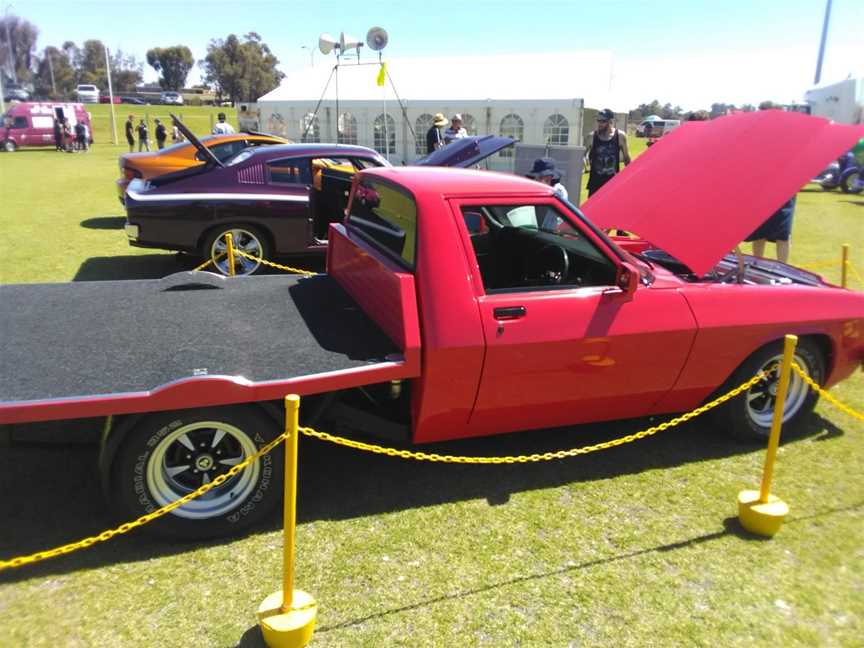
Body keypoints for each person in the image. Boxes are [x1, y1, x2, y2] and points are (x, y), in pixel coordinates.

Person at [745, 101, 795, 263]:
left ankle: (783, 270)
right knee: (759, 233)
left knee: (783, 234)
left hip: (784, 188)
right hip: (760, 189)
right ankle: (756, 265)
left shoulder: (788, 134)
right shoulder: (754, 134)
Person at [584, 108, 631, 198]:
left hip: (612, 184)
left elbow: (627, 159)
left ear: (611, 121)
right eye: (598, 120)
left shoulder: (620, 136)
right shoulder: (591, 137)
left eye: (603, 121)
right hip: (595, 184)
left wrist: (629, 179)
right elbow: (579, 157)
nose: (599, 124)